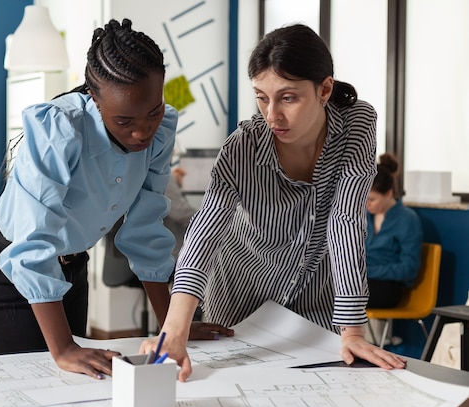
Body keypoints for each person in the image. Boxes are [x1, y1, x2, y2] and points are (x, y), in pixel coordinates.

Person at [140, 23, 407, 382]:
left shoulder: (358, 124)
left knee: (319, 390)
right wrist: (174, 330)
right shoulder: (243, 147)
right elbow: (203, 236)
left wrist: (353, 330)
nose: (272, 115)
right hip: (241, 291)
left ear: (325, 89)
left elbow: (344, 221)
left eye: (288, 97)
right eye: (261, 97)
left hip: (315, 291)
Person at [0, 18, 228, 381]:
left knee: (75, 391)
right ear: (95, 100)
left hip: (73, 269)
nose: (142, 132)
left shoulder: (160, 133)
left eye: (153, 112)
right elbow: (34, 244)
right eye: (124, 121)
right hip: (14, 276)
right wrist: (62, 348)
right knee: (33, 391)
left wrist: (172, 327)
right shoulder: (59, 129)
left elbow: (144, 229)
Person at [365, 153, 423, 308]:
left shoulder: (407, 220)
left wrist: (369, 271)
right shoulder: (364, 217)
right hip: (362, 281)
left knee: (338, 296)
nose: (366, 204)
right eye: (364, 198)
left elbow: (409, 269)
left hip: (388, 287)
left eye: (372, 199)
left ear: (389, 193)